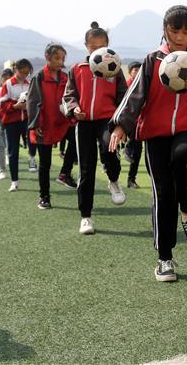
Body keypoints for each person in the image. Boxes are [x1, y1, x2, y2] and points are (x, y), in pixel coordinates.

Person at [110, 6, 187, 281]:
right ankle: (165, 258)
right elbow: (134, 96)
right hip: (155, 134)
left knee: (185, 154)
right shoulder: (153, 60)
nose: (181, 36)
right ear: (165, 29)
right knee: (163, 195)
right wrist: (120, 125)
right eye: (175, 30)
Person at [62, 21, 128, 235]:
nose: (97, 48)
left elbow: (123, 97)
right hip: (84, 123)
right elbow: (68, 96)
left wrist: (120, 122)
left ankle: (113, 180)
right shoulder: (77, 69)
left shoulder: (115, 68)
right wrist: (74, 109)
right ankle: (86, 217)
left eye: (102, 44)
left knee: (110, 150)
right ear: (86, 46)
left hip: (106, 120)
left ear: (108, 45)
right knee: (85, 170)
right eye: (93, 45)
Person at [27, 43, 75, 210]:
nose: (60, 61)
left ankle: (64, 173)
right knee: (45, 164)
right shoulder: (39, 77)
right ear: (47, 57)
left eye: (63, 58)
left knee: (77, 138)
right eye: (57, 58)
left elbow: (71, 97)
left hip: (63, 121)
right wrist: (35, 124)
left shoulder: (66, 77)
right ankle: (44, 197)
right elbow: (32, 101)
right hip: (44, 124)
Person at [0, 59, 33, 191]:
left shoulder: (30, 83)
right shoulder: (8, 84)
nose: (24, 75)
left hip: (27, 120)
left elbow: (35, 100)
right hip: (11, 122)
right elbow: (1, 104)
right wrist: (15, 106)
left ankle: (32, 160)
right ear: (15, 70)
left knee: (33, 143)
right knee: (13, 152)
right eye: (22, 72)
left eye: (27, 73)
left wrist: (28, 105)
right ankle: (14, 181)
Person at [123, 61, 143, 189]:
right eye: (134, 70)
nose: (136, 72)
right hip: (130, 122)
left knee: (138, 152)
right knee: (134, 145)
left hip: (141, 122)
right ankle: (127, 148)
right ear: (130, 72)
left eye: (138, 70)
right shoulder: (127, 85)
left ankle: (131, 179)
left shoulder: (143, 84)